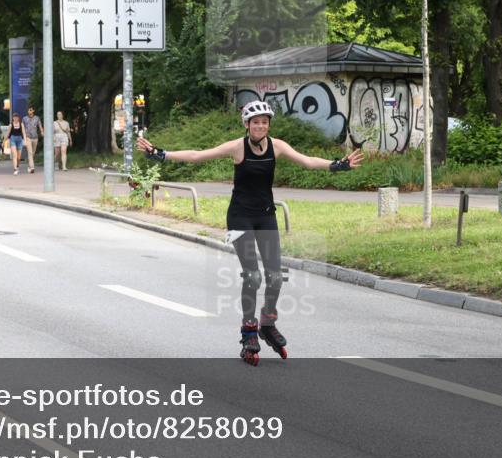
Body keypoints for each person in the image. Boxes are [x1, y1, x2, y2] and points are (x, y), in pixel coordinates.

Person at [138, 100, 364, 366]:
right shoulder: (237, 147)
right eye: (255, 122)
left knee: (276, 277)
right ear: (247, 125)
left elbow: (308, 161)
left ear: (268, 125)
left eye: (264, 122)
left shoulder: (276, 146)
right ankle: (249, 329)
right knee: (253, 276)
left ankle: (268, 323)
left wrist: (338, 165)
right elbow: (198, 155)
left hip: (265, 216)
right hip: (239, 218)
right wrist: (160, 153)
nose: (260, 126)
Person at [22, 105, 44, 174]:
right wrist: (24, 138)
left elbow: (40, 126)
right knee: (30, 153)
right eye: (28, 110)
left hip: (35, 138)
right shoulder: (24, 118)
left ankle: (29, 165)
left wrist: (42, 132)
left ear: (33, 111)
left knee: (33, 153)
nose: (29, 111)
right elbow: (23, 128)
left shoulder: (37, 118)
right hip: (28, 137)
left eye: (31, 110)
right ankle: (32, 167)